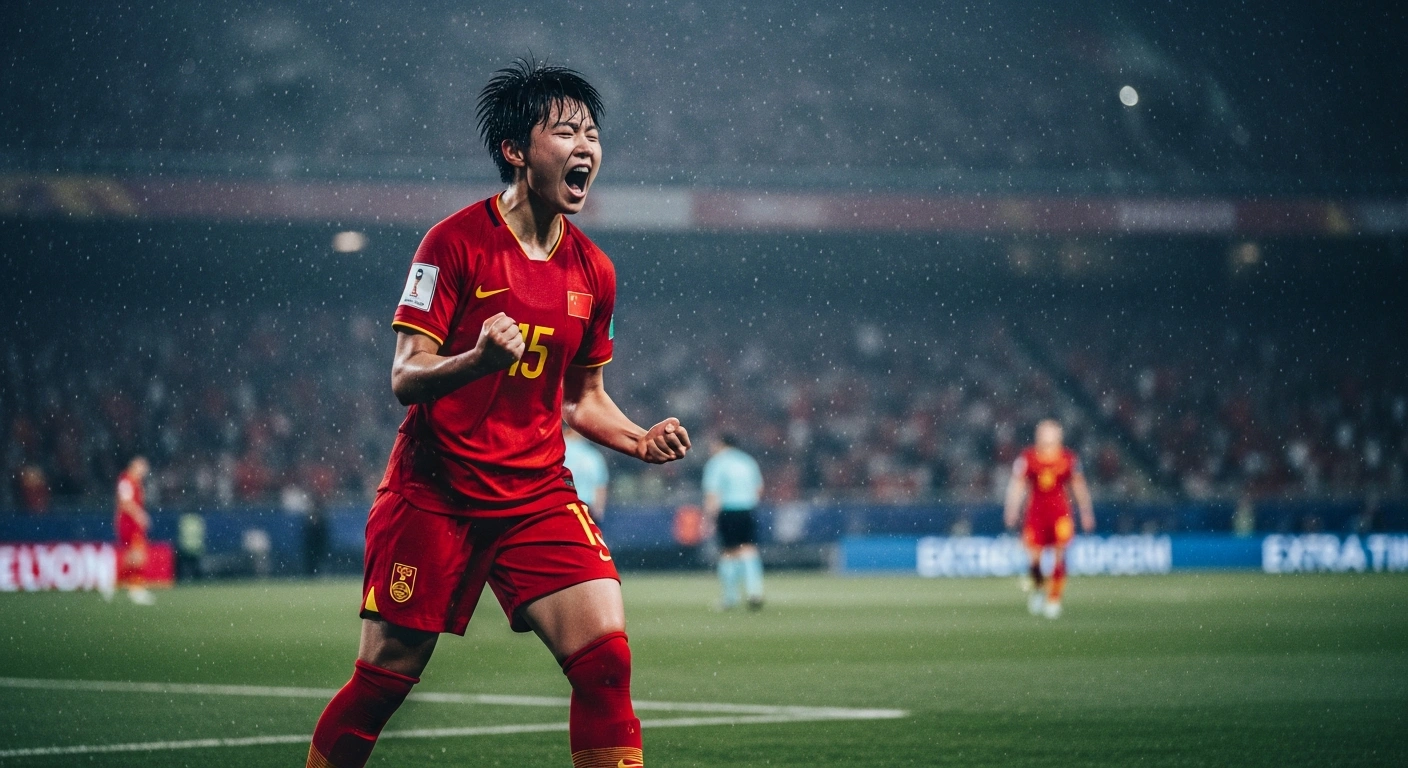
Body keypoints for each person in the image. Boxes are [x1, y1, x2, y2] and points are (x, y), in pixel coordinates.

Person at [306, 59, 690, 768]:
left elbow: (583, 398)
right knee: (381, 685)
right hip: (437, 493)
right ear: (516, 151)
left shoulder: (594, 271)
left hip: (536, 495)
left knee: (606, 663)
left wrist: (639, 439)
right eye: (565, 132)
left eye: (592, 134)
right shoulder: (450, 245)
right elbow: (405, 376)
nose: (586, 148)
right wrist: (477, 361)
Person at [1002, 420, 1095, 619]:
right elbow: (1017, 485)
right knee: (1034, 560)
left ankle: (1054, 598)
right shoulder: (1028, 458)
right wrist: (1012, 509)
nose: (1047, 436)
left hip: (1060, 515)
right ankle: (1038, 588)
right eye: (1044, 432)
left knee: (1060, 556)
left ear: (1058, 435)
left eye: (1051, 432)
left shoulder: (1068, 459)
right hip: (1035, 515)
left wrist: (1086, 511)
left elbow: (1078, 486)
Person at [702, 434, 765, 610]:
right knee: (748, 548)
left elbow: (713, 494)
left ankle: (730, 598)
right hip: (747, 509)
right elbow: (759, 488)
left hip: (728, 510)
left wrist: (709, 519)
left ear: (721, 443)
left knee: (728, 553)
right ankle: (755, 591)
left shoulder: (717, 463)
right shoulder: (747, 461)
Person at [114, 456, 156, 605]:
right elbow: (125, 503)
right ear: (134, 466)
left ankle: (117, 584)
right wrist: (140, 515)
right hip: (128, 524)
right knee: (139, 555)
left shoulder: (135, 482)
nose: (144, 471)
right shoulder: (126, 481)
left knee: (131, 557)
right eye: (142, 467)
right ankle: (136, 589)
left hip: (130, 523)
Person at [563, 422, 609, 518]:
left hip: (562, 507)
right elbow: (600, 487)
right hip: (585, 509)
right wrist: (598, 514)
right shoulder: (593, 456)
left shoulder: (557, 449)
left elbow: (600, 486)